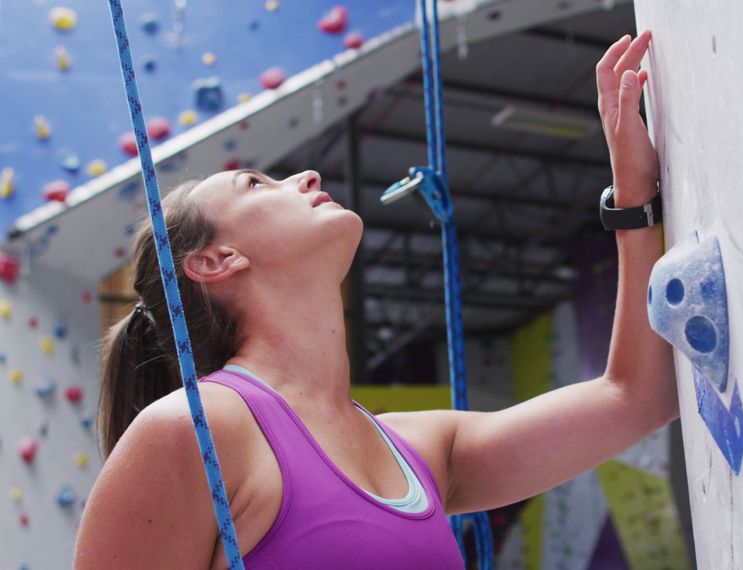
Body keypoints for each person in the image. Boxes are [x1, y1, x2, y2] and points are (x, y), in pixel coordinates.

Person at [74, 30, 674, 569]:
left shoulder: (418, 451)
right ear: (213, 262)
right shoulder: (189, 431)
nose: (304, 177)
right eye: (256, 185)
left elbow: (636, 397)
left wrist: (633, 192)